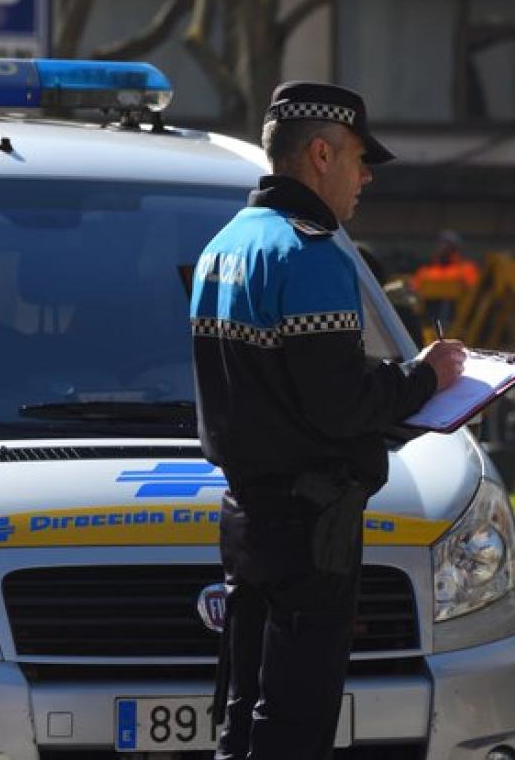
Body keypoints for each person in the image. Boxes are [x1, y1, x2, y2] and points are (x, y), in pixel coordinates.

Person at [189, 81, 466, 760]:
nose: (365, 175)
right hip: (312, 527)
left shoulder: (224, 245)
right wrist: (429, 377)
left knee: (242, 716)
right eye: (358, 159)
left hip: (246, 515)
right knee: (295, 723)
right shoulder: (309, 253)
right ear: (320, 154)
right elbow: (340, 403)